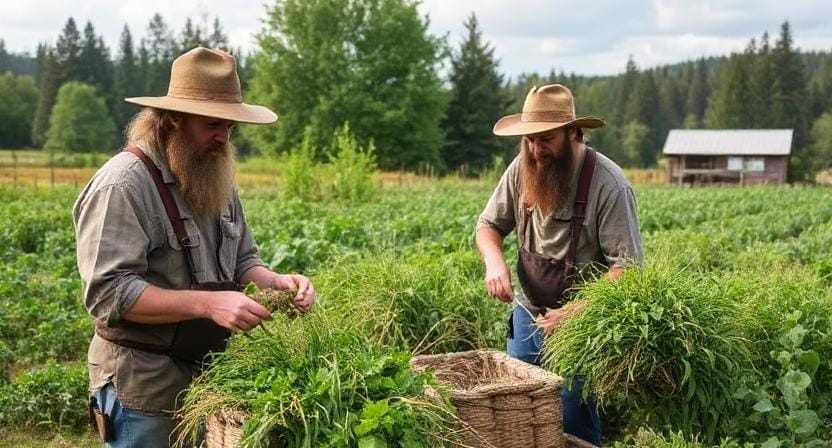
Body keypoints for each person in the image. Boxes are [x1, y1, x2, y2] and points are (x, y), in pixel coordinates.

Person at [73, 47, 317, 447]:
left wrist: (277, 284)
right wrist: (209, 304)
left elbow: (243, 260)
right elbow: (109, 294)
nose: (223, 137)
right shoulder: (124, 184)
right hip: (144, 386)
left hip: (207, 379)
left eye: (230, 126)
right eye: (212, 124)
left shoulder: (212, 172)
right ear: (173, 119)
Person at [475, 84, 643, 445]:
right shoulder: (522, 168)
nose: (536, 150)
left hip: (583, 322)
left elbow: (628, 269)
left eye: (546, 139)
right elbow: (488, 226)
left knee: (571, 418)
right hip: (528, 311)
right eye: (529, 140)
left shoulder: (609, 184)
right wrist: (494, 262)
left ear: (573, 133)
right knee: (517, 409)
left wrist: (573, 313)